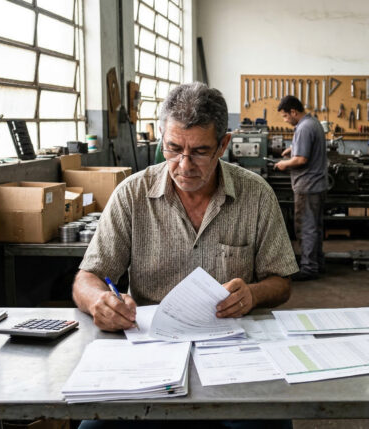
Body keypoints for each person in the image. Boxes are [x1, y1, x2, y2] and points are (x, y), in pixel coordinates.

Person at [73, 82, 297, 429]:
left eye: (200, 151)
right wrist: (98, 301)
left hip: (233, 354)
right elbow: (87, 276)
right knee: (95, 427)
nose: (184, 165)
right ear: (162, 138)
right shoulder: (132, 195)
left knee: (268, 424)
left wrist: (253, 294)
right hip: (151, 352)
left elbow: (281, 282)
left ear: (224, 144)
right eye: (174, 149)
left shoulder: (256, 195)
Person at [274, 95, 328, 282]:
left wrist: (284, 164)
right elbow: (305, 148)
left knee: (306, 228)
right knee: (315, 227)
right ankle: (317, 263)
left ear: (293, 112)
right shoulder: (313, 123)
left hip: (307, 186)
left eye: (285, 116)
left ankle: (308, 268)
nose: (285, 120)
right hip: (317, 185)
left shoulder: (304, 128)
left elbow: (301, 160)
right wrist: (293, 149)